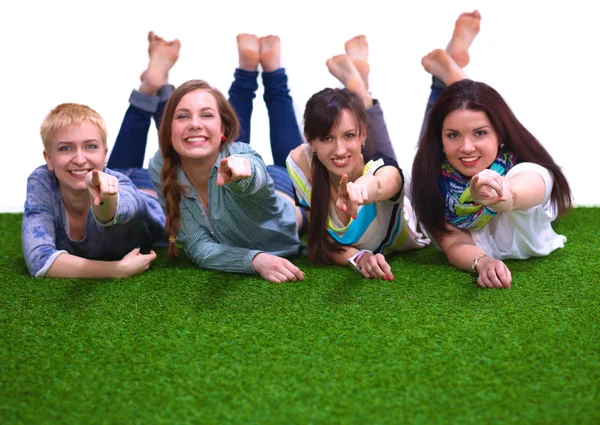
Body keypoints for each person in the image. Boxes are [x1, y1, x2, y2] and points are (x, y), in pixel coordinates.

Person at [410, 10, 573, 289]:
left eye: (481, 133)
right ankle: (447, 75)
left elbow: (522, 190)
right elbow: (454, 242)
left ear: (501, 135)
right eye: (452, 136)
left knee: (460, 110)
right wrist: (483, 262)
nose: (466, 147)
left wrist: (499, 194)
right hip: (438, 164)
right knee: (452, 117)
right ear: (441, 141)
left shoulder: (526, 170)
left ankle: (449, 73)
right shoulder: (432, 181)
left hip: (507, 182)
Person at [148, 34, 306, 284]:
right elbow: (199, 248)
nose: (194, 124)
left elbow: (255, 173)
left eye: (206, 115)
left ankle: (270, 69)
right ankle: (249, 68)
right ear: (168, 132)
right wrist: (254, 260)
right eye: (182, 117)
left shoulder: (239, 155)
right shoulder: (160, 165)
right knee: (205, 125)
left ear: (224, 132)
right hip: (229, 165)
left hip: (285, 190)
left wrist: (243, 173)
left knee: (298, 159)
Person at [21, 31, 179, 278]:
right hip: (104, 174)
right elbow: (39, 260)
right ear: (48, 158)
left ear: (105, 154)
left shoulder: (118, 184)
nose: (79, 157)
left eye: (90, 147)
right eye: (65, 148)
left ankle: (153, 85)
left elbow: (119, 209)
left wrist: (107, 196)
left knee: (177, 156)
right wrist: (115, 270)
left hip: (151, 186)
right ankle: (153, 84)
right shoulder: (42, 181)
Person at [286, 35, 429, 280]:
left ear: (363, 135)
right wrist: (359, 257)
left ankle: (363, 90)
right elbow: (324, 242)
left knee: (428, 149)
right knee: (354, 146)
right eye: (327, 138)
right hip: (357, 165)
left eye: (349, 135)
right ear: (310, 140)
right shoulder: (301, 163)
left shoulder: (384, 172)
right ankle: (360, 85)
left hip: (403, 207)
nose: (339, 148)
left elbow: (384, 182)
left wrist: (361, 190)